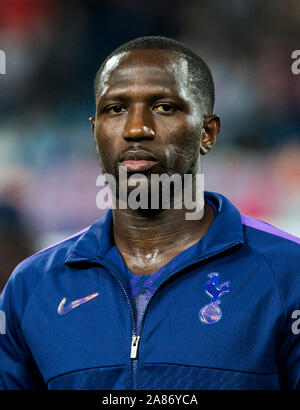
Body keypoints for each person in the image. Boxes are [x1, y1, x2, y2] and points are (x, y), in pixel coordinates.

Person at [1, 36, 300, 390]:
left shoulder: (288, 273)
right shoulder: (34, 286)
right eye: (116, 109)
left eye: (163, 107)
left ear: (208, 132)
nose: (136, 129)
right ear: (95, 132)